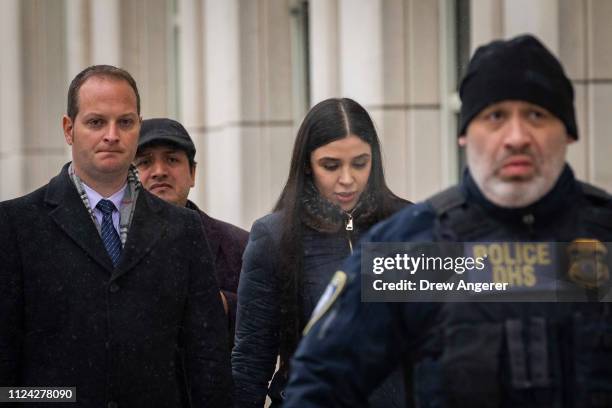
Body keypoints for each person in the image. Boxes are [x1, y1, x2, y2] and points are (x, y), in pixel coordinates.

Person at [283, 35, 612, 407]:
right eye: (495, 117)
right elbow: (319, 385)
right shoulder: (412, 250)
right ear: (465, 133)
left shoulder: (605, 240)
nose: (516, 137)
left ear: (568, 131)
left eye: (537, 115)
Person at [0, 65, 233, 407]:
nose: (112, 135)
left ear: (138, 126)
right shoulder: (16, 224)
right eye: (96, 122)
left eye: (125, 122)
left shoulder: (182, 229)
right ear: (69, 129)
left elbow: (207, 356)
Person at [231, 97, 411, 407]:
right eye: (331, 165)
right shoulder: (273, 237)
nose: (347, 179)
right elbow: (251, 360)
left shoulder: (408, 226)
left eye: (359, 163)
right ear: (307, 165)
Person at [135, 118, 248, 343]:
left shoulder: (239, 245)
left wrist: (222, 305)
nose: (159, 171)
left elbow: (269, 325)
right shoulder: (108, 244)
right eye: (145, 162)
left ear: (193, 173)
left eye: (172, 159)